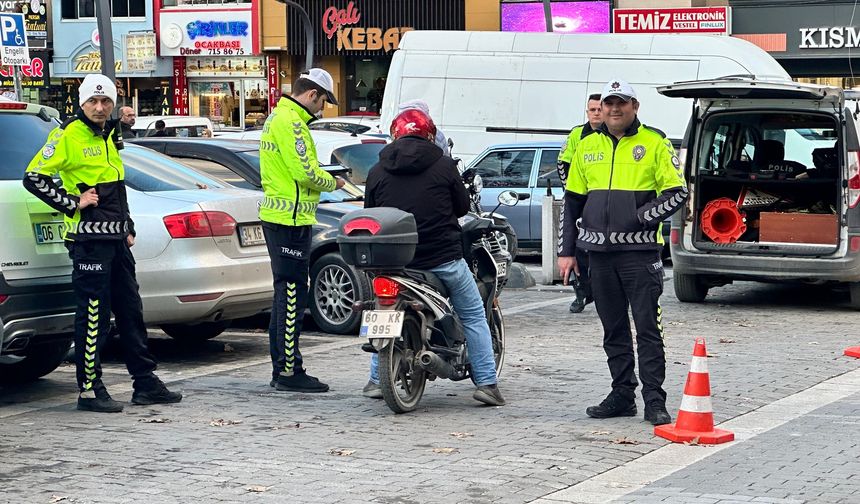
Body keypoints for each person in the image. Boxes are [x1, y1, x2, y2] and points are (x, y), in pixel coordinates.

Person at [22, 74, 182, 413]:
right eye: (92, 101)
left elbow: (117, 189)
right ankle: (90, 390)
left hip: (116, 239)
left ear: (112, 104)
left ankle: (145, 383)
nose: (99, 107)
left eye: (105, 101)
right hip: (88, 242)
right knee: (94, 315)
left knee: (130, 311)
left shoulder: (111, 134)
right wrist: (71, 202)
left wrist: (128, 227)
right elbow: (33, 177)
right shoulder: (67, 135)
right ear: (81, 103)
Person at [557, 79, 688, 426]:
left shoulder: (654, 142)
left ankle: (654, 400)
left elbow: (677, 192)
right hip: (597, 256)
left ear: (635, 107)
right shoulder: (586, 147)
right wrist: (566, 251)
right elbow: (572, 203)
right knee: (612, 330)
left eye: (622, 103)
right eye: (609, 103)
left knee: (647, 329)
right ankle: (621, 395)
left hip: (639, 255)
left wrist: (640, 218)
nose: (615, 109)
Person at [362, 108, 505, 407]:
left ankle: (376, 379)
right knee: (474, 313)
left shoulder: (377, 170)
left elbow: (371, 210)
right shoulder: (443, 165)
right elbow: (462, 207)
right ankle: (487, 383)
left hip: (394, 262)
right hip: (442, 258)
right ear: (430, 135)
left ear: (394, 135)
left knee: (382, 311)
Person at [259, 68, 345, 393]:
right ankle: (289, 371)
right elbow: (304, 172)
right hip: (290, 221)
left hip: (281, 217)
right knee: (293, 293)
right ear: (311, 95)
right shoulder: (292, 122)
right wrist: (332, 182)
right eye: (322, 101)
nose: (322, 109)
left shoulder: (277, 117)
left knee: (284, 293)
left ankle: (281, 367)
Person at [557, 93, 602, 314]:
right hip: (580, 197)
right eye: (592, 110)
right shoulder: (577, 134)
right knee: (576, 247)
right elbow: (562, 164)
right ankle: (581, 292)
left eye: (598, 109)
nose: (596, 113)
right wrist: (571, 190)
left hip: (601, 199)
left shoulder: (613, 135)